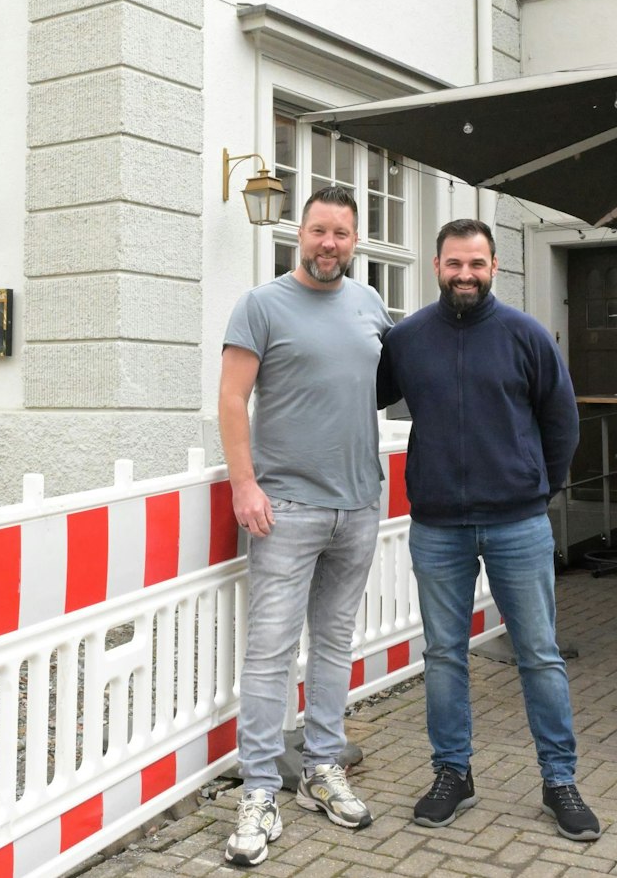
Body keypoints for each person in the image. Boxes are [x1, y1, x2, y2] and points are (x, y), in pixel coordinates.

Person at [377, 218, 600, 840]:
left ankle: (560, 781)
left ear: (494, 266)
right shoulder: (408, 339)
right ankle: (453, 773)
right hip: (438, 526)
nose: (465, 275)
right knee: (444, 656)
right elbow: (355, 389)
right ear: (437, 266)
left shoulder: (525, 335)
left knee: (539, 656)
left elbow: (563, 423)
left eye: (476, 264)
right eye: (455, 264)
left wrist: (535, 487)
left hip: (518, 524)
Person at [218, 185, 392, 867]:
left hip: (358, 505)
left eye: (342, 233)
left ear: (355, 240)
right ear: (301, 232)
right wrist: (244, 483)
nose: (330, 243)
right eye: (320, 230)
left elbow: (369, 387)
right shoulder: (261, 304)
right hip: (284, 507)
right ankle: (260, 788)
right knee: (268, 652)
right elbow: (232, 397)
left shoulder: (370, 303)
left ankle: (322, 765)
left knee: (332, 644)